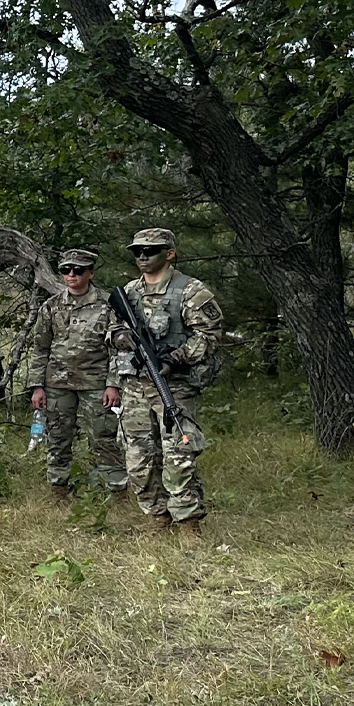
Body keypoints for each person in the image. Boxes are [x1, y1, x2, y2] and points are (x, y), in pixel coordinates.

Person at [110, 228, 221, 537]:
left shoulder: (190, 290)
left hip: (174, 386)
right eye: (137, 251)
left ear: (169, 253)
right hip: (135, 388)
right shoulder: (129, 292)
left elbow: (209, 335)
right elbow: (111, 331)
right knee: (138, 458)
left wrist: (174, 359)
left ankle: (188, 524)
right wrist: (124, 338)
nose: (142, 256)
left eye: (151, 250)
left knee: (179, 455)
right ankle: (158, 518)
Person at [25, 249, 126, 499]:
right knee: (58, 438)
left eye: (78, 270)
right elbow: (40, 348)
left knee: (104, 437)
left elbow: (118, 348)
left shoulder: (108, 304)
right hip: (57, 383)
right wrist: (37, 386)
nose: (72, 274)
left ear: (90, 273)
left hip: (96, 383)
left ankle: (118, 492)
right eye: (66, 270)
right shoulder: (51, 306)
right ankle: (58, 490)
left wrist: (113, 384)